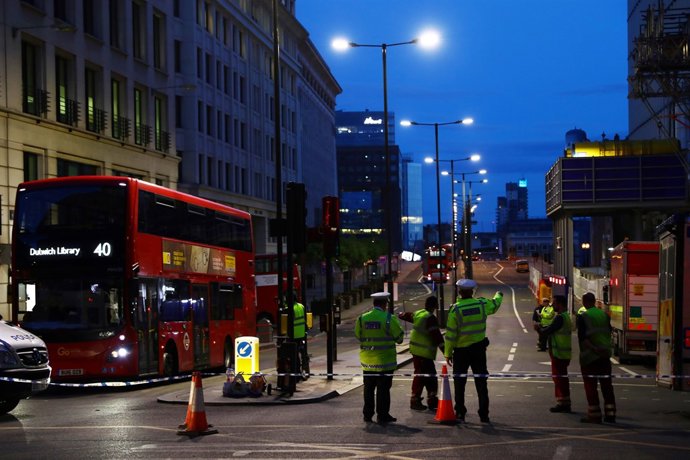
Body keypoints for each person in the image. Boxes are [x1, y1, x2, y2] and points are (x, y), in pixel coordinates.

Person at [445, 279, 503, 423]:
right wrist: (499, 295)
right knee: (481, 382)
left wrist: (447, 353)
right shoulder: (481, 304)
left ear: (459, 292)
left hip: (461, 352)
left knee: (459, 383)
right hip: (478, 350)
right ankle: (484, 414)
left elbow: (451, 334)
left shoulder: (456, 309)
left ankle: (460, 412)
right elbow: (495, 305)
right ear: (472, 291)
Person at [355, 291, 404, 424]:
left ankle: (367, 414)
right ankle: (382, 415)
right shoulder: (389, 318)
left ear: (374, 303)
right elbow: (399, 338)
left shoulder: (362, 318)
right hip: (384, 362)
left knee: (368, 389)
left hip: (367, 362)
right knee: (383, 390)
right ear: (385, 304)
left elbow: (358, 335)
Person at [397, 295, 444, 411]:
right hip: (424, 352)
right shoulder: (430, 318)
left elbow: (405, 315)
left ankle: (431, 398)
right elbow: (437, 337)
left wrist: (400, 315)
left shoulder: (419, 314)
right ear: (435, 306)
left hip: (416, 351)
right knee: (423, 376)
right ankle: (417, 399)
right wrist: (447, 352)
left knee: (428, 375)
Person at [577, 291, 616, 424]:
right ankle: (611, 414)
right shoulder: (604, 315)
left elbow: (583, 339)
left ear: (585, 302)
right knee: (607, 386)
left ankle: (594, 415)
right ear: (594, 301)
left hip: (591, 357)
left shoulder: (583, 316)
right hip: (605, 355)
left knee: (591, 387)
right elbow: (608, 332)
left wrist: (594, 349)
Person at [539, 294, 572, 413]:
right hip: (563, 353)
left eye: (555, 303)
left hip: (559, 353)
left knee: (559, 379)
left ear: (561, 304)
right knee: (562, 379)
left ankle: (562, 403)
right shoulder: (566, 316)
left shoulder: (560, 318)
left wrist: (540, 329)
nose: (553, 305)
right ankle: (564, 402)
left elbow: (550, 330)